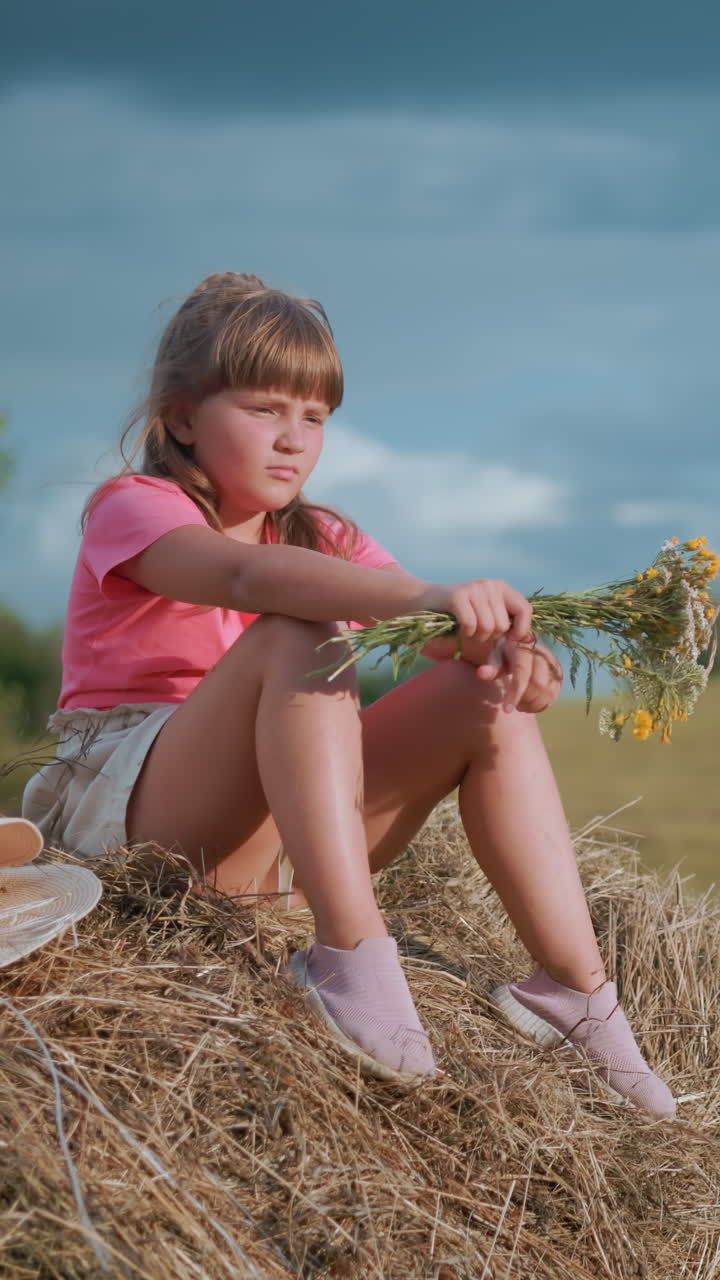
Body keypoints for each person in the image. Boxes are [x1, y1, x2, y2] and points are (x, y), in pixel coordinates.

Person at [22, 272, 675, 1118]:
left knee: (481, 692)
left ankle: (575, 992)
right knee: (300, 624)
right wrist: (423, 596)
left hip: (284, 844)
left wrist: (510, 653)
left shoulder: (324, 535)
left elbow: (441, 631)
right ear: (180, 417)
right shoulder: (135, 508)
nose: (293, 439)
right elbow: (249, 574)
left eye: (315, 417)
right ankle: (351, 953)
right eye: (265, 410)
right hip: (144, 818)